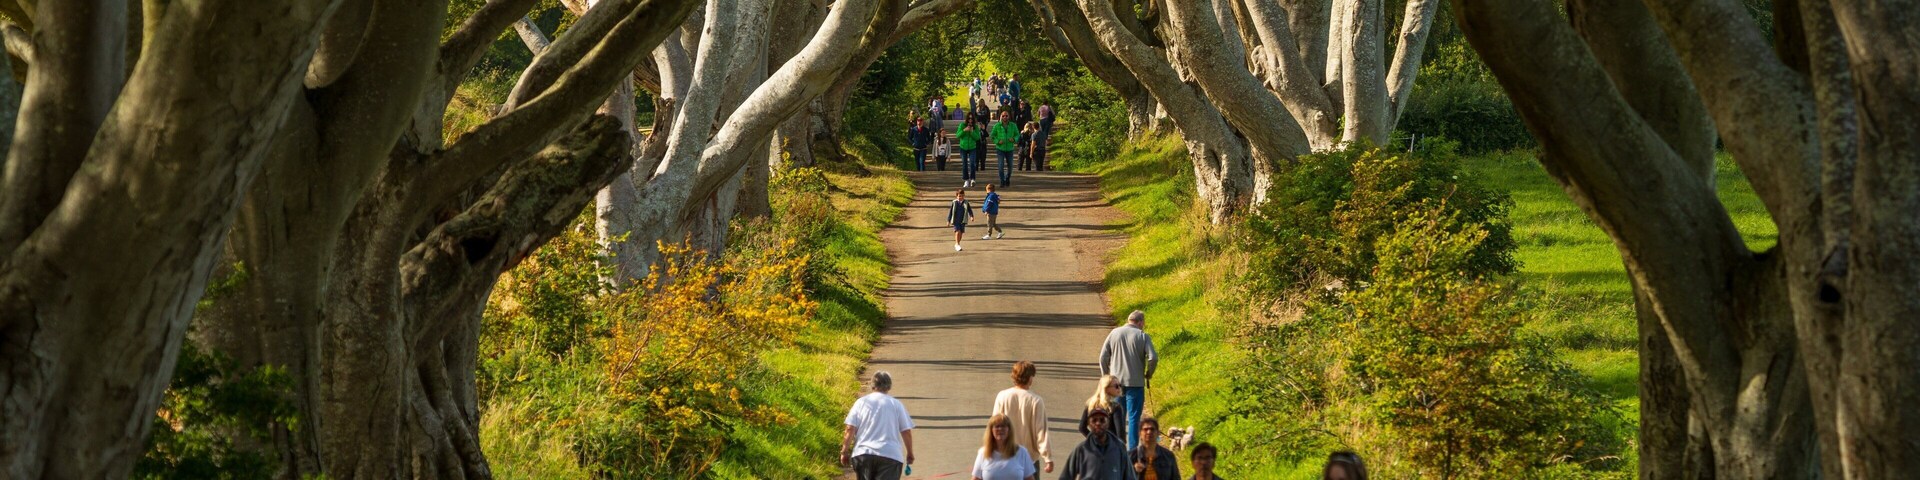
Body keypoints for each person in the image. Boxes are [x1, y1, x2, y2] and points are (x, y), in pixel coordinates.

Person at [1099, 310, 1158, 450]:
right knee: (1133, 418)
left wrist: (1106, 377)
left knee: (1117, 417)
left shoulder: (1114, 333)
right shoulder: (1142, 336)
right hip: (1136, 383)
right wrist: (1149, 373)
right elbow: (1153, 358)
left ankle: (1117, 448)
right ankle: (1132, 450)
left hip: (1116, 384)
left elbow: (1103, 357)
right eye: (1143, 323)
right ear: (1140, 322)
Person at [842, 372, 916, 480]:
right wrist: (910, 453)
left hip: (863, 454)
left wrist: (844, 451)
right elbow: (906, 432)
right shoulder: (896, 404)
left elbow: (850, 428)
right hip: (890, 455)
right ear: (889, 386)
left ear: (872, 385)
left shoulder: (861, 403)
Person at [989, 361, 1050, 474]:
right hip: (1029, 461)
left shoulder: (1002, 396)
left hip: (1005, 457)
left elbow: (994, 426)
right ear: (1030, 379)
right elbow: (1041, 431)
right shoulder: (1036, 400)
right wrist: (1047, 457)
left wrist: (991, 451)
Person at [1057, 407, 1133, 480]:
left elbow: (1130, 477)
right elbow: (1066, 476)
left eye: (1102, 420)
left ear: (1108, 423)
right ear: (1089, 424)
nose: (1098, 423)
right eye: (1094, 420)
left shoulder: (1119, 448)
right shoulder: (1081, 449)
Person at [973, 414, 1039, 480]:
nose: (1000, 429)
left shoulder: (1022, 452)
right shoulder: (983, 452)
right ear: (991, 430)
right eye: (997, 426)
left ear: (1009, 430)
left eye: (1003, 426)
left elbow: (1030, 478)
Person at [1078, 375, 1124, 440]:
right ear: (1106, 388)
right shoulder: (1115, 407)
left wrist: (1094, 439)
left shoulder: (1091, 404)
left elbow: (1082, 427)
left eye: (1120, 385)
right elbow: (1120, 433)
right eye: (1116, 386)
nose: (1119, 388)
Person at [991, 112, 1020, 187]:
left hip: (1010, 148)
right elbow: (992, 136)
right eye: (1003, 116)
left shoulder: (1013, 125)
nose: (1005, 117)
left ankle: (1007, 178)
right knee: (1001, 166)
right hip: (1000, 148)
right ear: (1001, 117)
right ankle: (1002, 180)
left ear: (1009, 116)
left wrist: (1014, 139)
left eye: (1006, 116)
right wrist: (997, 141)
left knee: (1010, 166)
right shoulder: (997, 126)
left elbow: (1017, 134)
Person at [957, 122, 983, 187]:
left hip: (972, 147)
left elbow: (977, 138)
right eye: (969, 119)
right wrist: (964, 130)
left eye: (972, 119)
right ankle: (966, 180)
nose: (970, 121)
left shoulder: (975, 127)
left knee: (972, 163)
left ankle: (972, 179)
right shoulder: (962, 125)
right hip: (963, 147)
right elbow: (957, 135)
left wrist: (972, 132)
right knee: (964, 164)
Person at [1034, 104, 1055, 170]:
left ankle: (1042, 139)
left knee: (1042, 130)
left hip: (1041, 119)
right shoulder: (1049, 107)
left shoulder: (1040, 107)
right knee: (1046, 131)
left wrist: (1040, 116)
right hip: (1047, 119)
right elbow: (1053, 113)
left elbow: (1038, 113)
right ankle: (1044, 140)